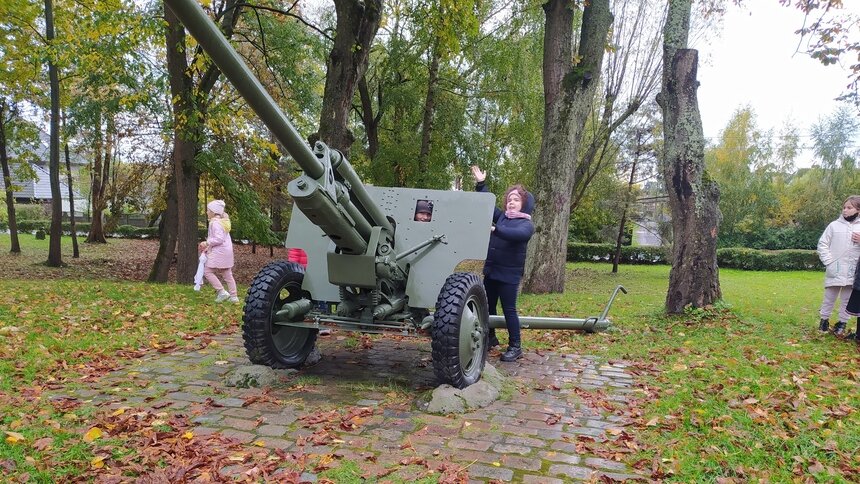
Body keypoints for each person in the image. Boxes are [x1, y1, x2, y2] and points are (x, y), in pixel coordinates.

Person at [471, 165, 535, 362]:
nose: (511, 203)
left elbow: (515, 235)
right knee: (488, 307)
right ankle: (490, 338)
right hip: (492, 271)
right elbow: (488, 205)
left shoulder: (526, 224)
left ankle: (515, 346)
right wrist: (481, 183)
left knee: (509, 310)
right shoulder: (502, 218)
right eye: (509, 200)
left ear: (524, 204)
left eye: (516, 200)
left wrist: (495, 230)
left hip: (509, 275)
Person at [815, 195, 860, 336]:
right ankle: (824, 321)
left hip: (853, 271)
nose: (845, 210)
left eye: (849, 208)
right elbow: (822, 244)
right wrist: (829, 262)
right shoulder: (834, 226)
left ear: (858, 210)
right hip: (835, 269)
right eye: (844, 207)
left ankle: (842, 323)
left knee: (847, 299)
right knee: (829, 297)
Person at [199, 200, 239, 303]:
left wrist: (207, 243)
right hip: (226, 251)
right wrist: (208, 247)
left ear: (213, 212)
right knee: (227, 274)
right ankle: (234, 296)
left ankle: (222, 292)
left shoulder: (215, 223)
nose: (207, 212)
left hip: (219, 252)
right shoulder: (223, 222)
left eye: (208, 210)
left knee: (207, 271)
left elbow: (219, 239)